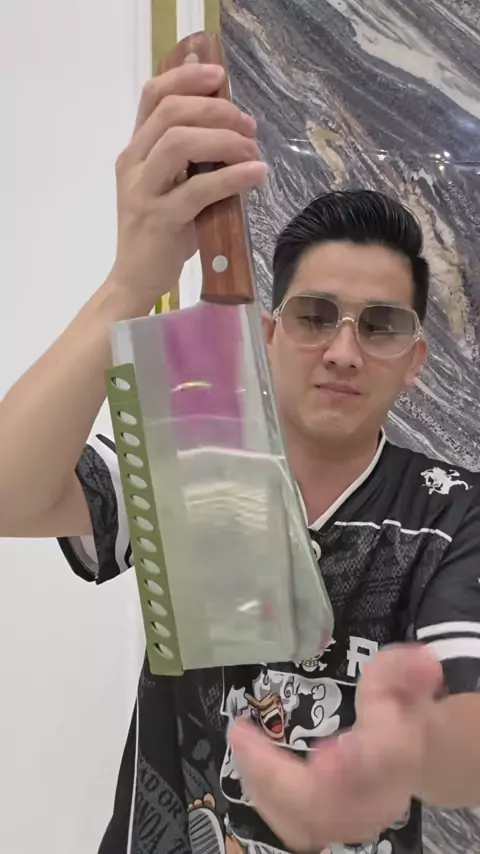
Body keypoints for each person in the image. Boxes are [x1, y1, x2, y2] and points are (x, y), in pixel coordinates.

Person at [1, 59, 480, 854]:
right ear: (269, 334)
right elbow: (11, 495)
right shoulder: (188, 462)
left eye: (381, 326)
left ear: (415, 361)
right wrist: (130, 282)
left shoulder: (450, 512)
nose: (344, 351)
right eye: (315, 315)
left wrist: (409, 755)